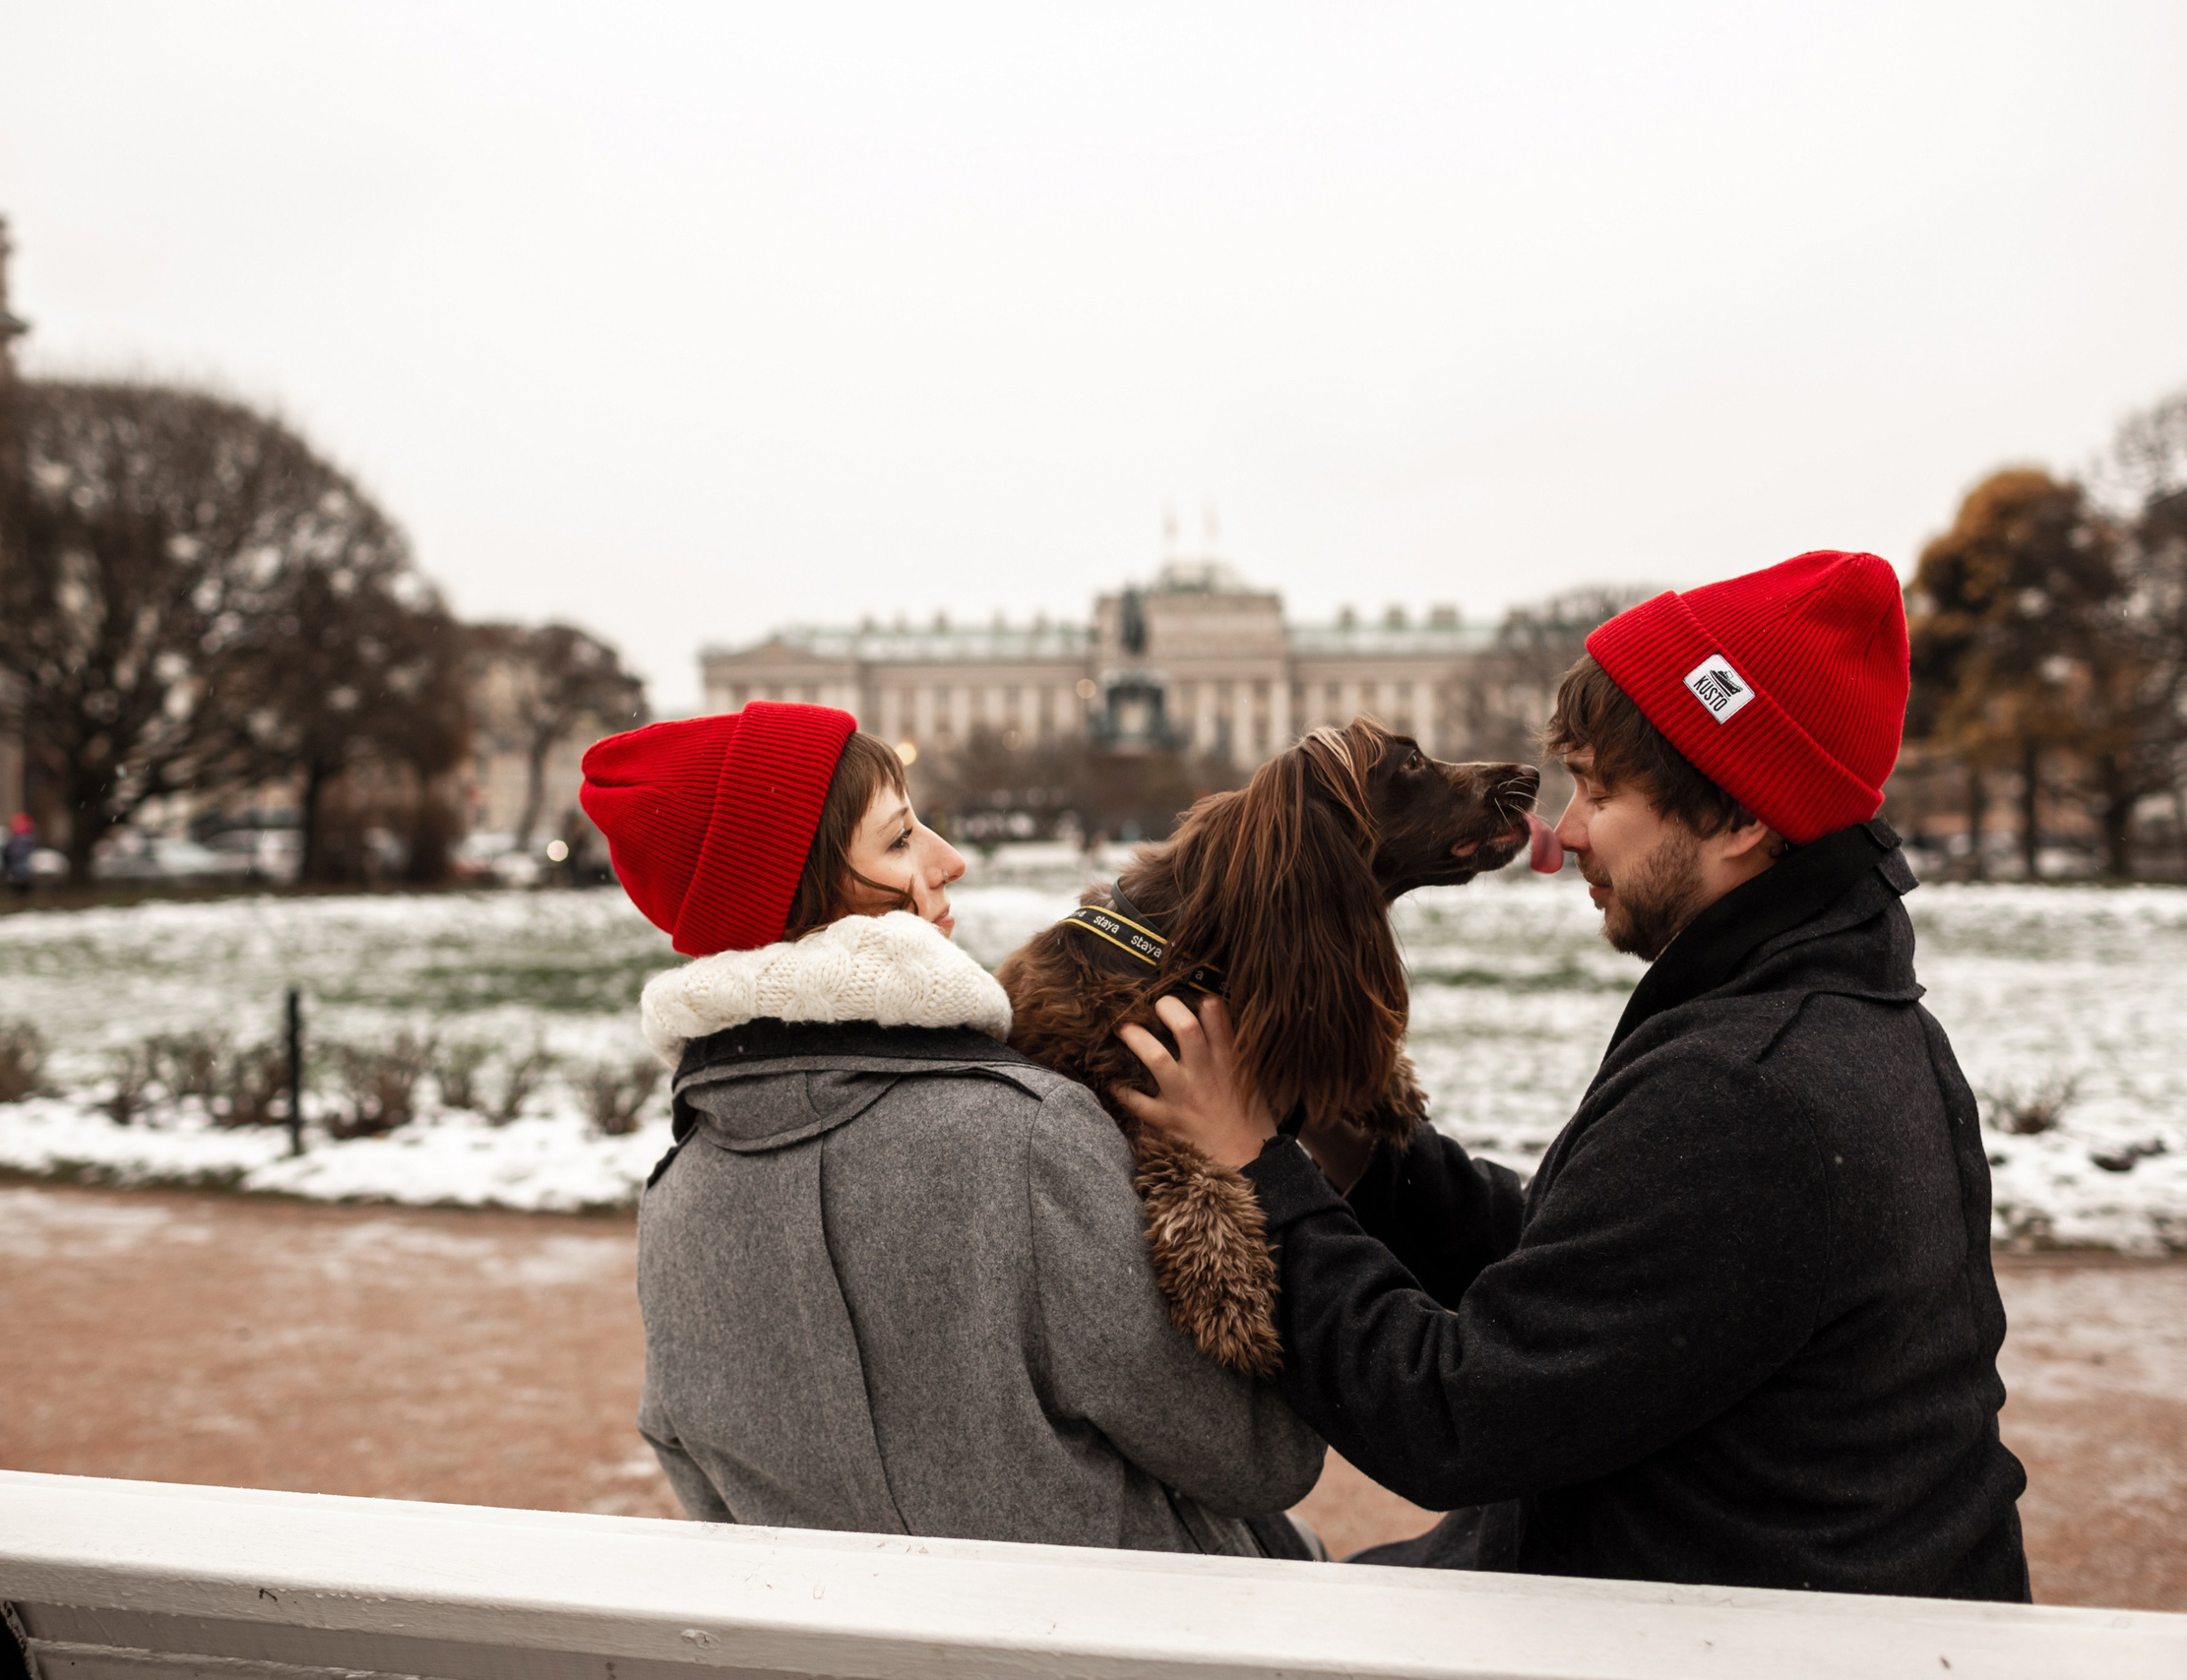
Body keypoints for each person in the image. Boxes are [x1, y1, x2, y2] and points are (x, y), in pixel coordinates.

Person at [1125, 550, 2031, 1599]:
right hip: (1765, 1581)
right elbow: (1593, 1276)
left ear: (1741, 817)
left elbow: (1455, 1417)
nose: (1564, 832)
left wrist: (1256, 1165)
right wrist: (1370, 1161)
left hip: (1733, 1634)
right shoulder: (1837, 1014)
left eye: (1600, 792)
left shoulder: (1751, 1086)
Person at [581, 700, 1324, 1555]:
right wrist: (1233, 1165)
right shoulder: (1028, 1141)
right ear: (804, 894)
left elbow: (698, 1474)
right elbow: (1264, 1454)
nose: (950, 859)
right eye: (900, 840)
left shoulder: (677, 1201)